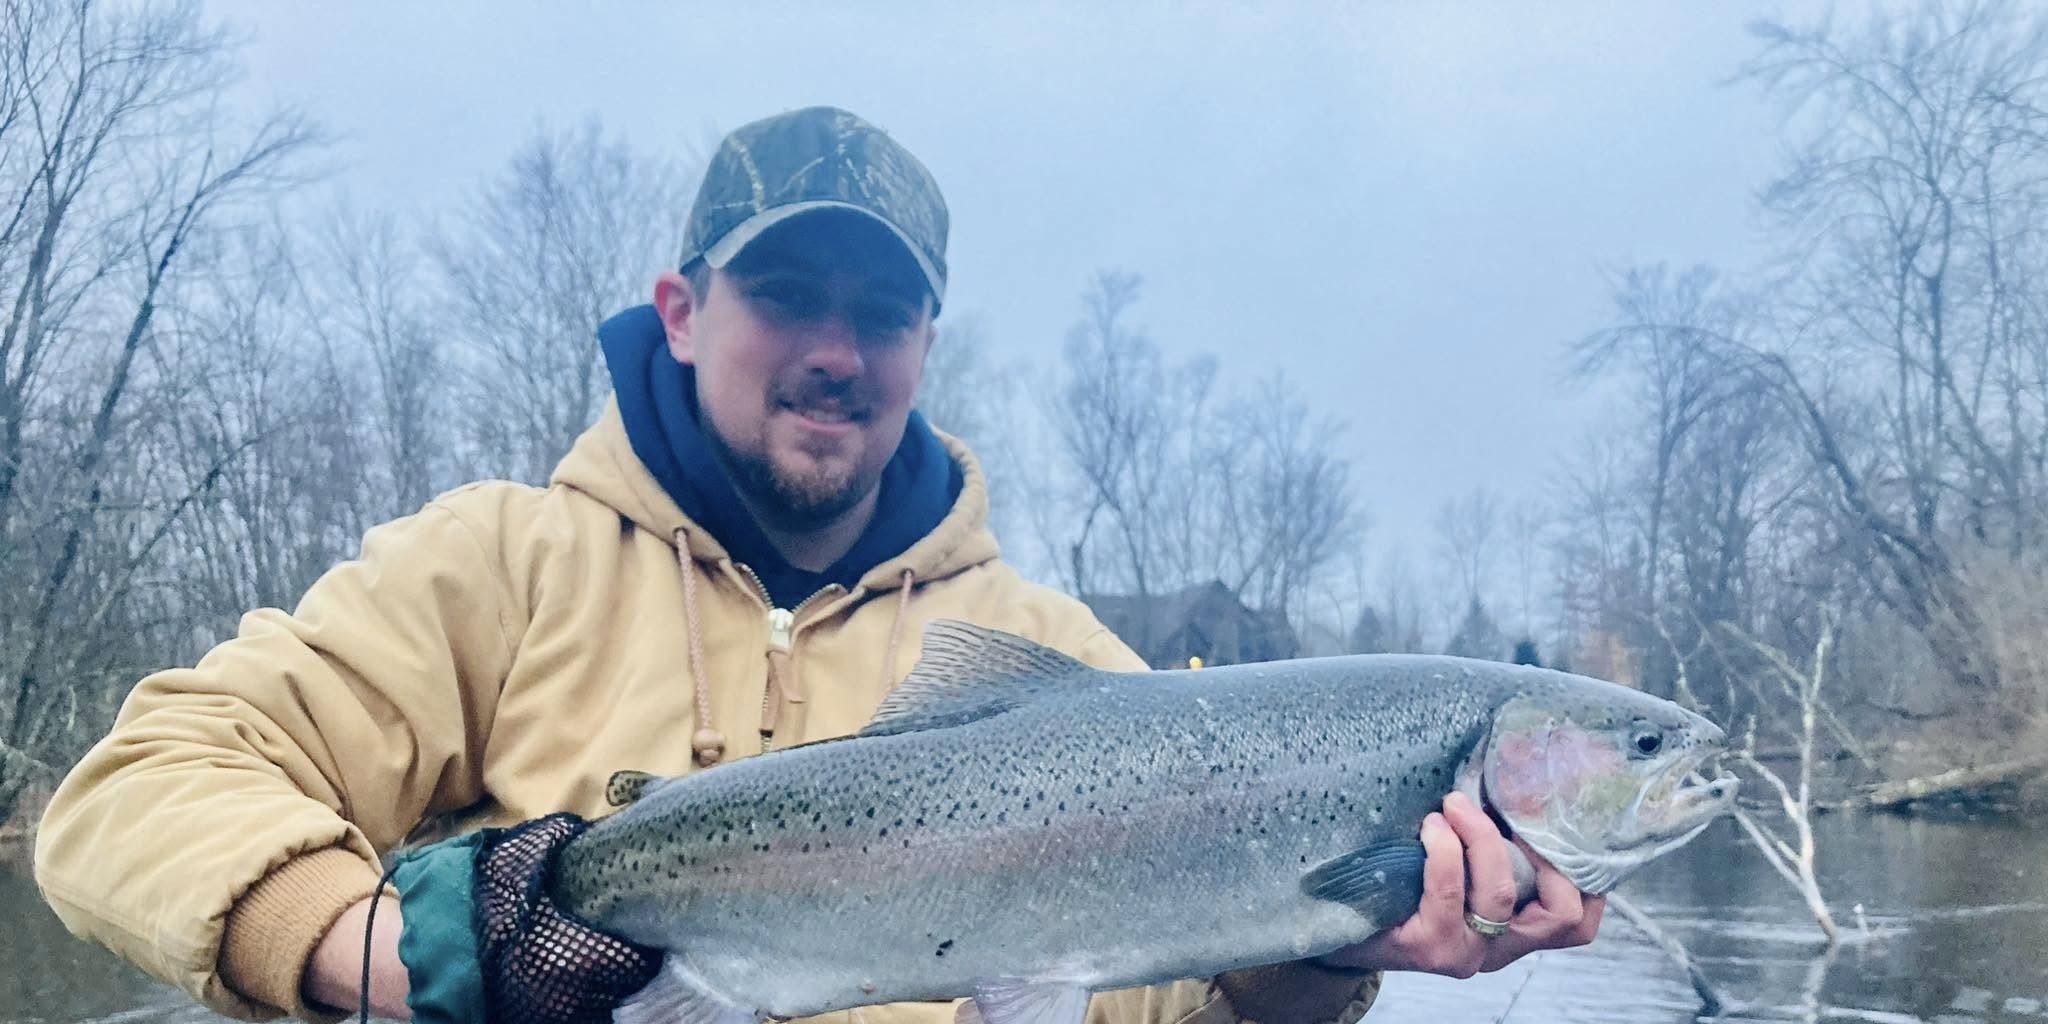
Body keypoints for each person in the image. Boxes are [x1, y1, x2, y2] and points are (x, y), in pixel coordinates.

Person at [32, 106, 1600, 1024]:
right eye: (789, 292)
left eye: (885, 312)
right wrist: (416, 961)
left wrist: (1328, 958)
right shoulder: (494, 569)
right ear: (682, 308)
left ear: (929, 341)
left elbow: (1154, 1004)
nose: (837, 351)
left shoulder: (1051, 656)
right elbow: (132, 792)